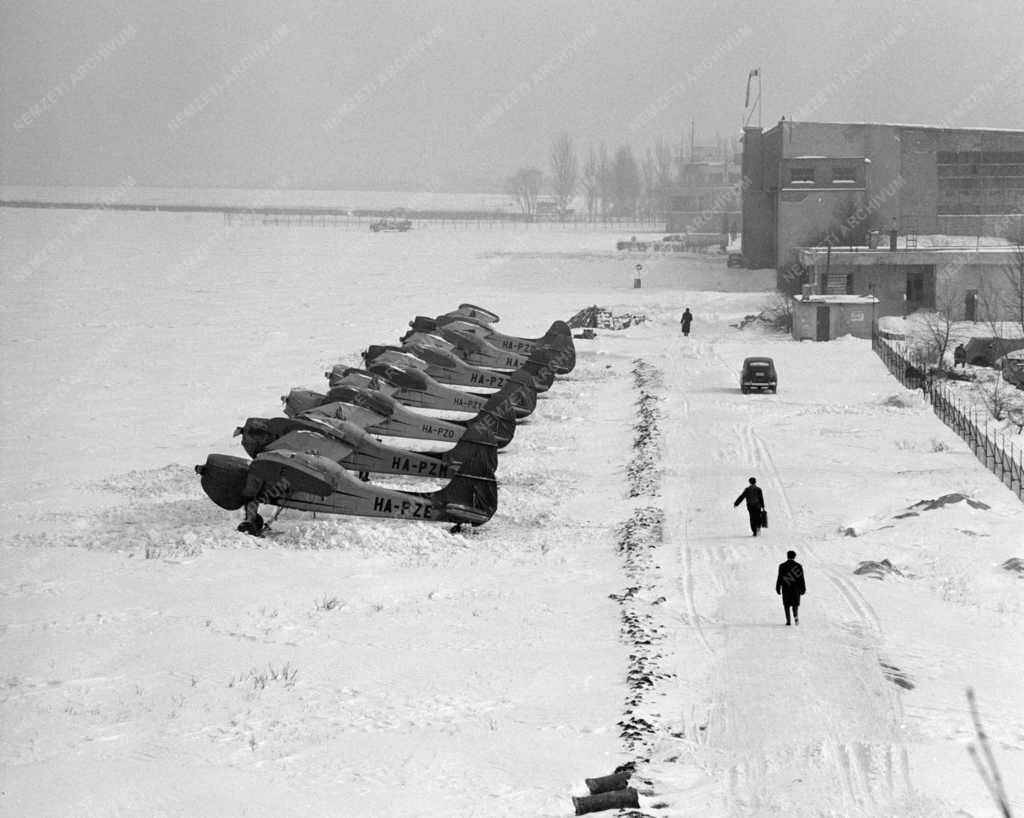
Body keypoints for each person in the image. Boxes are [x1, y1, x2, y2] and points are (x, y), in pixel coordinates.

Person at [776, 550, 806, 625]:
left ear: (787, 556)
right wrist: (803, 589)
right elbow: (801, 579)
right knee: (795, 604)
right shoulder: (798, 566)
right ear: (794, 557)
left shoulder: (782, 566)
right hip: (796, 589)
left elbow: (779, 577)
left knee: (786, 605)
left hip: (786, 588)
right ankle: (795, 616)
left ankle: (788, 621)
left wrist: (778, 587)